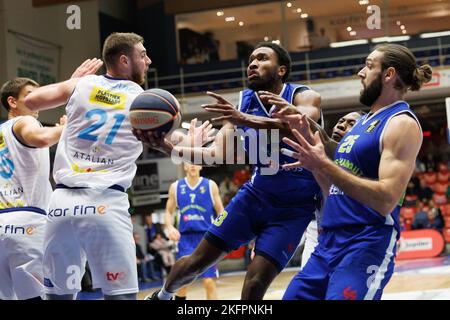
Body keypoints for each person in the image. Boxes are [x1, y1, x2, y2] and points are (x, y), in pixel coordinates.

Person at [24, 33, 208, 301]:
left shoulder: (82, 85)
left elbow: (31, 101)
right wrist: (191, 142)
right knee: (120, 296)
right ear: (124, 60)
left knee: (57, 297)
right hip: (104, 203)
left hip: (61, 203)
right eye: (143, 54)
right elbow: (171, 139)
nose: (148, 60)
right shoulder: (141, 100)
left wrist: (74, 81)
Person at [137, 42, 322, 300]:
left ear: (281, 70)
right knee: (196, 263)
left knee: (256, 282)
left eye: (262, 58)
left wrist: (241, 119)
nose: (253, 64)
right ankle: (163, 296)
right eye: (250, 60)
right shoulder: (243, 104)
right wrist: (166, 147)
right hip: (255, 197)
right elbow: (216, 154)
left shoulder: (304, 96)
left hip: (294, 208)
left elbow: (297, 124)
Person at [280, 43, 431, 300]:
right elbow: (336, 191)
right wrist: (315, 167)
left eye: (369, 66)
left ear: (388, 74)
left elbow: (385, 199)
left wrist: (323, 164)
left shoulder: (401, 123)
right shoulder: (362, 123)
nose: (361, 72)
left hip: (366, 243)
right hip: (328, 243)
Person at [0, 61, 100, 301]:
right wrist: (66, 129)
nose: (38, 100)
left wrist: (70, 85)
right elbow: (41, 138)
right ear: (12, 102)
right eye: (31, 96)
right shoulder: (24, 122)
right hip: (27, 221)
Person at [157, 163, 224, 300]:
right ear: (184, 166)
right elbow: (169, 212)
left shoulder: (210, 185)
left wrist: (221, 231)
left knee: (208, 281)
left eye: (196, 163)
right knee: (182, 282)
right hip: (186, 239)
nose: (193, 165)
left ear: (201, 166)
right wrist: (169, 227)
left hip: (207, 239)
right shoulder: (176, 187)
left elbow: (221, 212)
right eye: (189, 162)